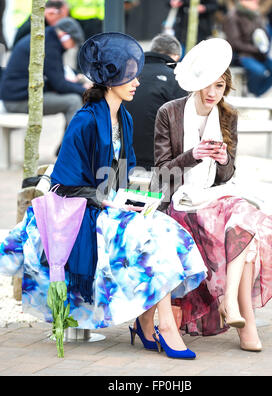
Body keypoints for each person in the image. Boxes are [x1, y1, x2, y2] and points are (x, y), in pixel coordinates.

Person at [0, 32, 207, 360]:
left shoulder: (122, 117)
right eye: (131, 75)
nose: (137, 81)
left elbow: (120, 175)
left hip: (109, 206)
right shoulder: (84, 120)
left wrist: (132, 199)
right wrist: (108, 201)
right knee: (154, 239)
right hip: (84, 211)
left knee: (169, 231)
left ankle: (148, 321)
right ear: (112, 79)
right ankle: (162, 327)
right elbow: (64, 184)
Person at [153, 38, 272, 351]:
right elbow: (162, 172)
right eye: (208, 86)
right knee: (244, 234)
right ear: (196, 85)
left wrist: (224, 160)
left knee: (243, 218)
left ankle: (230, 301)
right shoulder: (170, 113)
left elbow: (228, 176)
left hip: (217, 197)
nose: (213, 93)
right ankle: (246, 325)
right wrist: (193, 154)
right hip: (182, 201)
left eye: (220, 85)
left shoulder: (228, 116)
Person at [0, 17, 88, 131]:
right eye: (74, 42)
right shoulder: (49, 45)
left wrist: (77, 85)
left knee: (74, 96)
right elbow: (60, 84)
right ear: (65, 36)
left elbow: (56, 77)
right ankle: (74, 146)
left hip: (19, 96)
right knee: (73, 101)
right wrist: (86, 90)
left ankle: (65, 147)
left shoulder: (46, 38)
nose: (73, 47)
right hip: (16, 101)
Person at [125, 33, 186, 171]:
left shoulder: (128, 73)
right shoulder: (176, 80)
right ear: (175, 57)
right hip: (156, 162)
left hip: (121, 157)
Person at [223, 0, 272, 96]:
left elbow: (263, 34)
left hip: (258, 54)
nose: (256, 1)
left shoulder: (256, 15)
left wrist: (263, 43)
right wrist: (256, 49)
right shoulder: (232, 16)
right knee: (259, 71)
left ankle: (256, 94)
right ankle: (253, 93)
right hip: (242, 55)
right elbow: (234, 43)